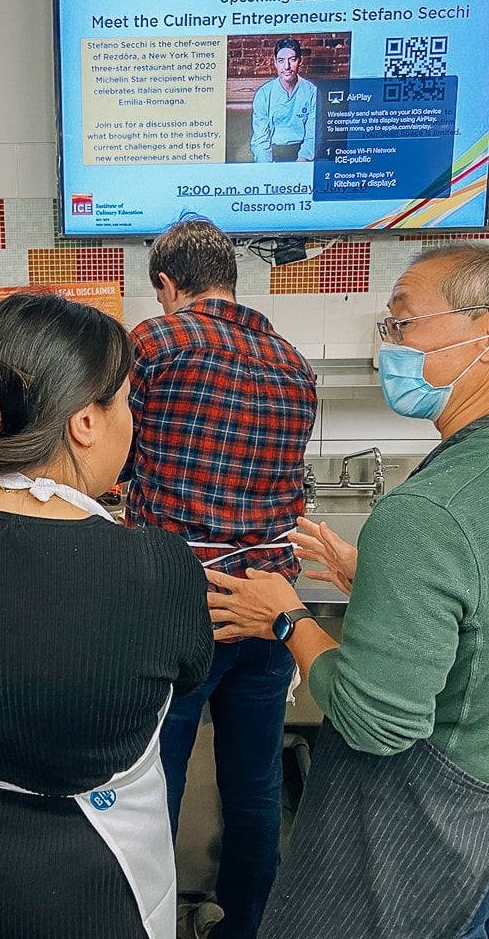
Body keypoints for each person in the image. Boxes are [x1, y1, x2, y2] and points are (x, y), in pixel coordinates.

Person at [206, 244, 489, 939]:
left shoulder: (427, 512)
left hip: (435, 844)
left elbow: (379, 721)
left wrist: (287, 619)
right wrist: (380, 580)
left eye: (402, 324)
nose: (388, 347)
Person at [0, 290, 213, 939]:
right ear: (85, 420)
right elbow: (187, 670)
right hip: (95, 878)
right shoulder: (157, 567)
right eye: (126, 401)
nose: (132, 419)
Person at [126, 219, 316, 939]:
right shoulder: (293, 362)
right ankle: (244, 928)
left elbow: (113, 457)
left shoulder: (154, 342)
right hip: (268, 607)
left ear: (167, 285)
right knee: (255, 787)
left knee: (155, 786)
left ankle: (152, 923)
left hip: (181, 605)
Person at [249, 37, 318, 163]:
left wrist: (302, 162)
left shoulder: (311, 91)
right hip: (272, 155)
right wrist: (268, 170)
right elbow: (261, 141)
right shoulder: (263, 94)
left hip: (302, 155)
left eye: (292, 60)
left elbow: (312, 136)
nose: (287, 66)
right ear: (275, 63)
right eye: (281, 61)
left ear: (300, 61)